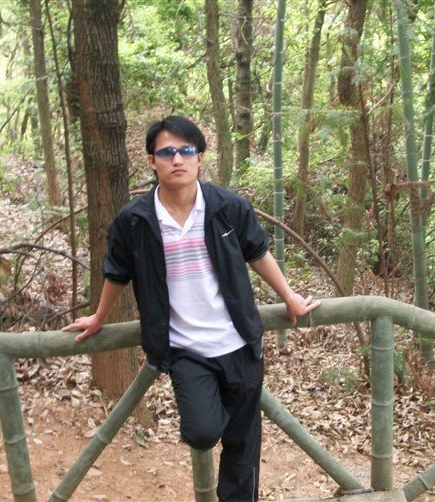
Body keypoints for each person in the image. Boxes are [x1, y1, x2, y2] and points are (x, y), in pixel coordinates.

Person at [62, 115, 320, 501]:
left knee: (243, 448)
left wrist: (290, 296)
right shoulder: (135, 220)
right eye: (167, 152)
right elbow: (117, 273)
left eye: (186, 150)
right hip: (186, 350)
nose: (177, 159)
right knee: (202, 431)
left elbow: (258, 254)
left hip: (239, 343)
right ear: (152, 161)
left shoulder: (227, 207)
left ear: (200, 157)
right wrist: (99, 316)